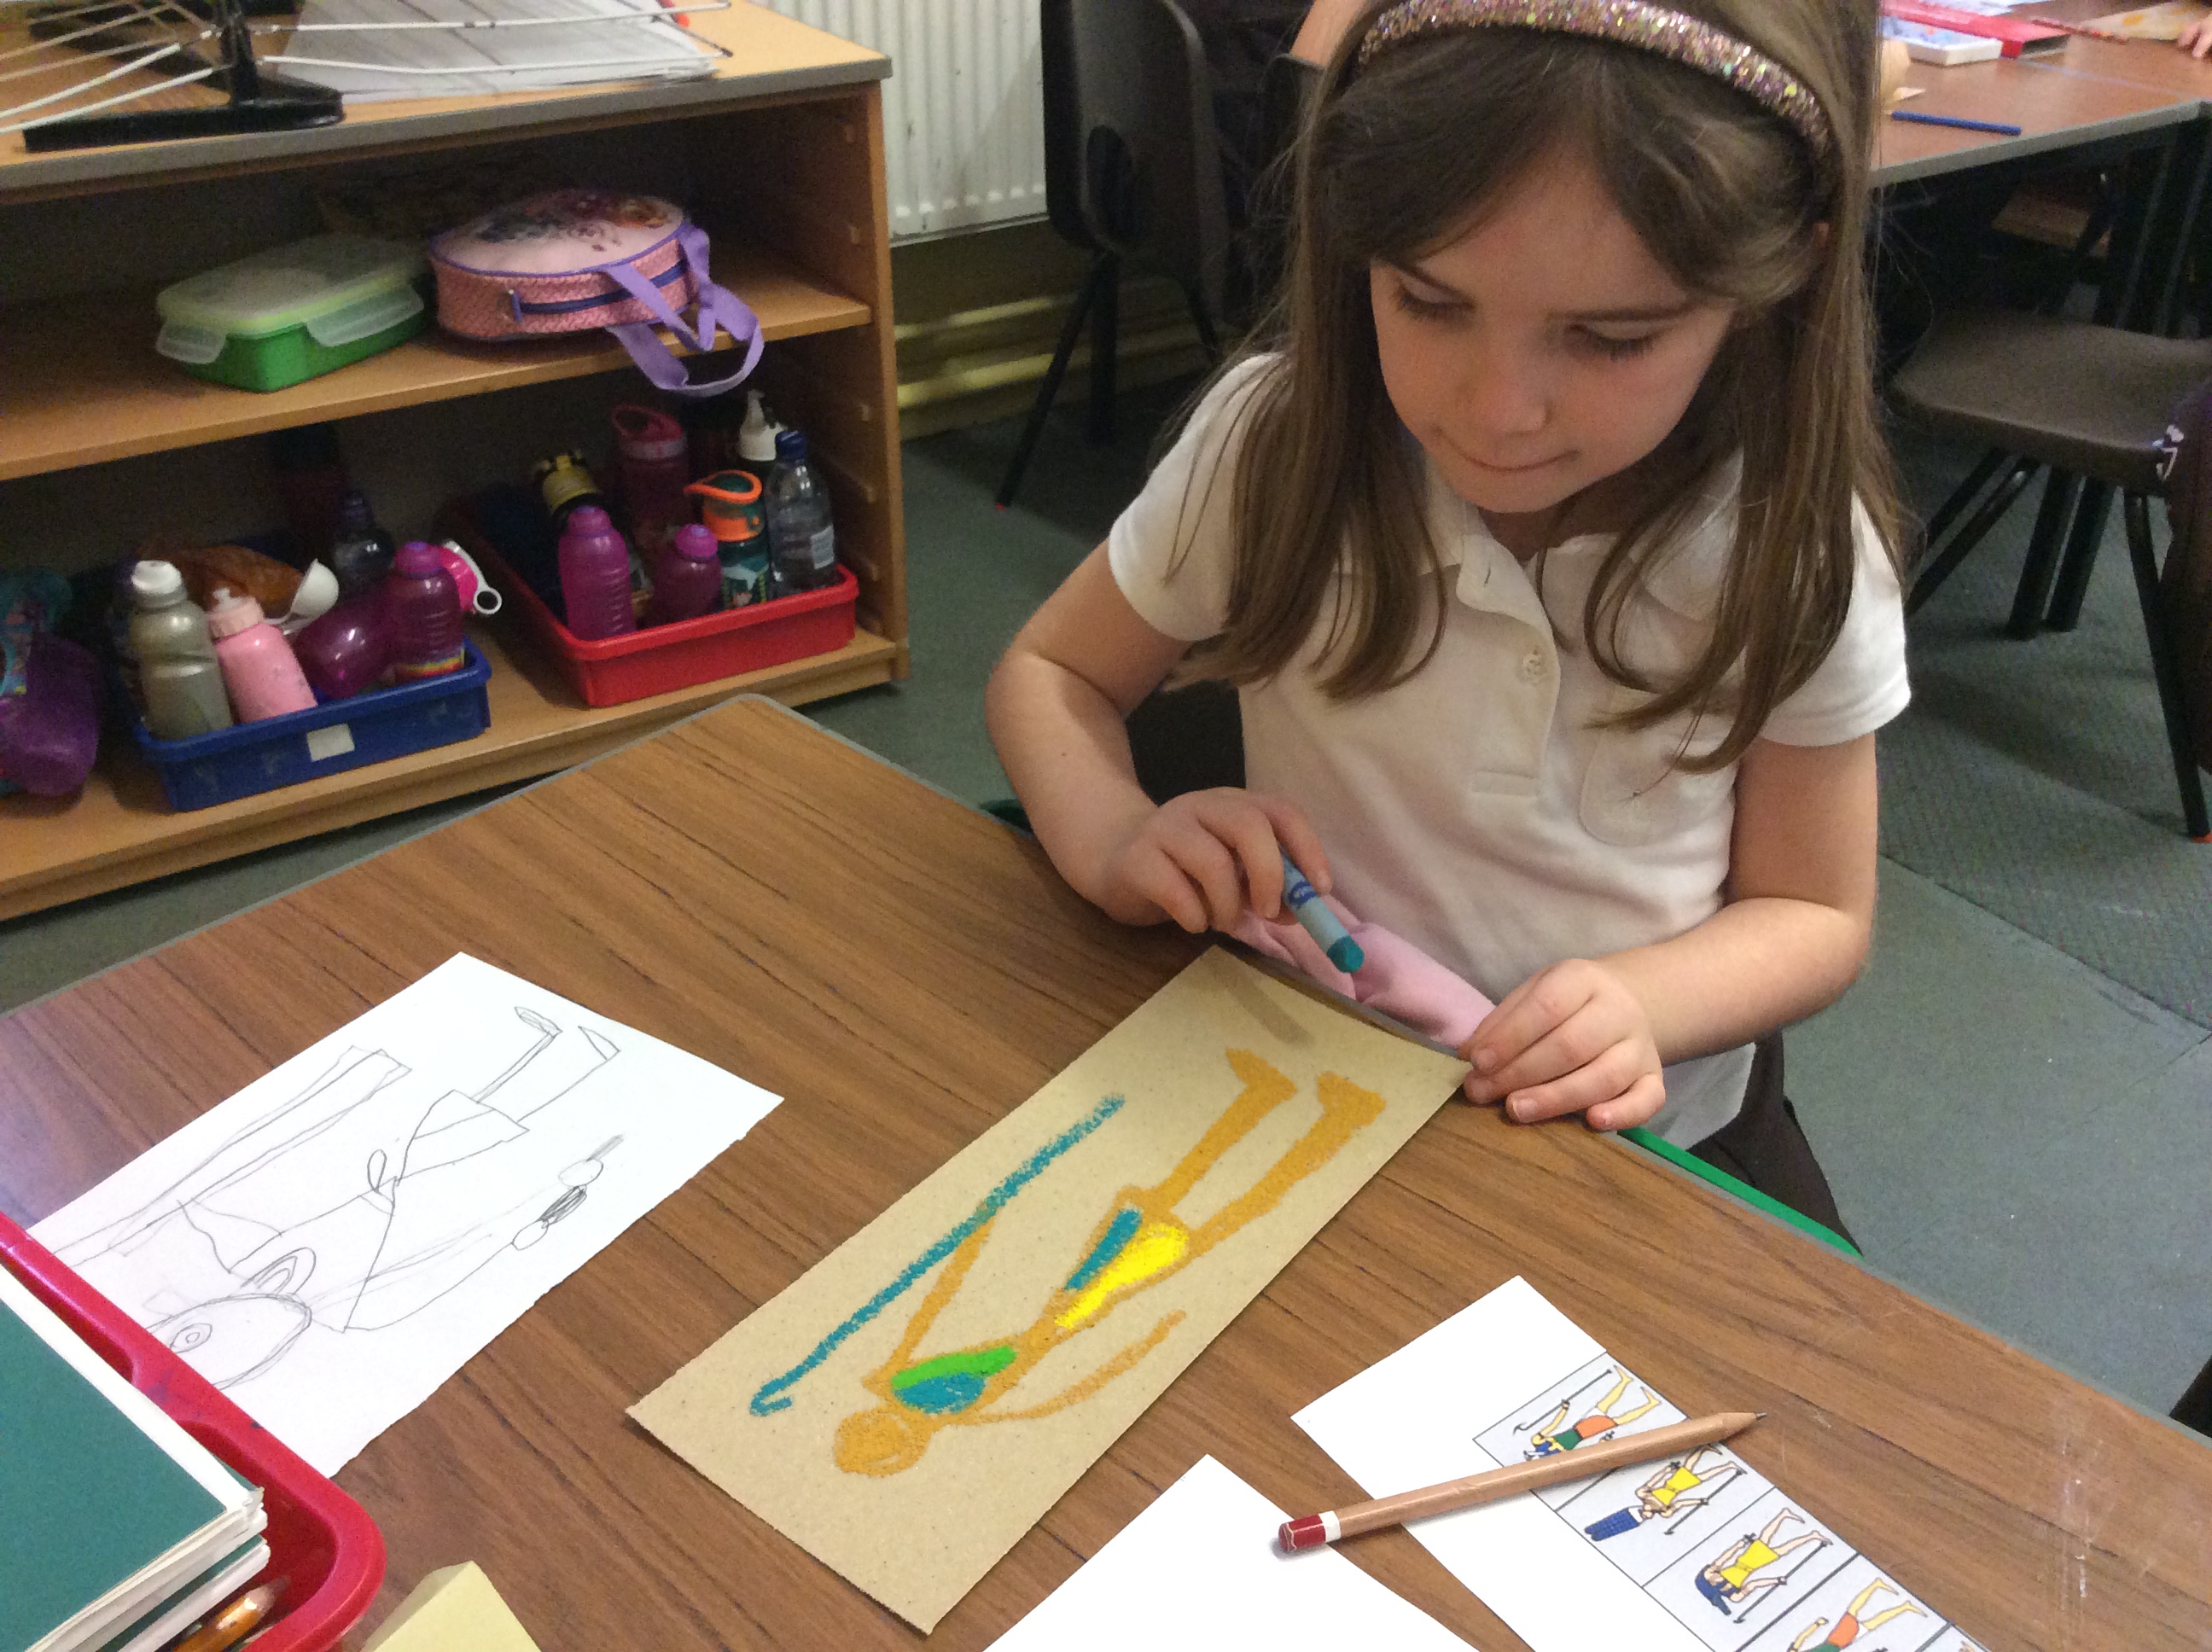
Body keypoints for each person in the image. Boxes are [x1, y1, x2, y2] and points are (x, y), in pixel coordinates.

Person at [984, 0, 1907, 1223]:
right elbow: (1053, 673)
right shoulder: (1279, 442)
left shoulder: (1791, 548)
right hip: (1308, 1086)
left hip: (1629, 1146)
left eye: (1611, 337)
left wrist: (1643, 1003)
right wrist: (1112, 835)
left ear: (1767, 289)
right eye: (1428, 300)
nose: (1497, 409)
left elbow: (1817, 910)